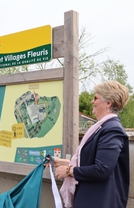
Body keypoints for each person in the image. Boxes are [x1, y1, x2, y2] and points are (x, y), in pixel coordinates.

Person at [52, 80, 130, 208]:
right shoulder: (102, 128)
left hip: (99, 201)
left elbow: (102, 169)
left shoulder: (112, 129)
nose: (92, 101)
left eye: (96, 98)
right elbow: (90, 161)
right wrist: (61, 162)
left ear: (108, 103)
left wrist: (69, 170)